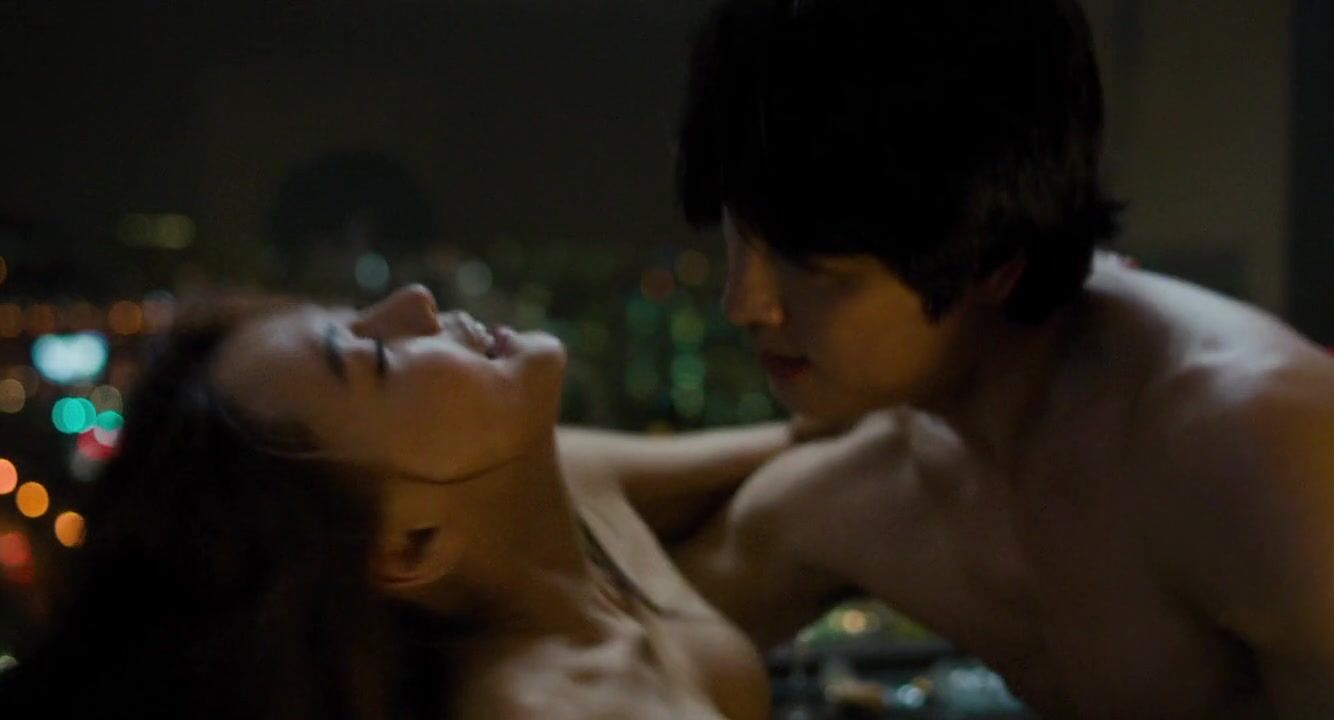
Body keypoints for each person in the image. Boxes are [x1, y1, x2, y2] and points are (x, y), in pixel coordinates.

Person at [663, 0, 1334, 717]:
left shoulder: (1256, 447)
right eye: (738, 233)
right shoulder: (857, 489)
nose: (744, 302)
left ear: (991, 258)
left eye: (815, 267)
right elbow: (622, 657)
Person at [0, 284, 790, 720]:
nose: (415, 303)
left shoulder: (564, 482)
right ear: (404, 547)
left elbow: (819, 447)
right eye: (375, 357)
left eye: (358, 316)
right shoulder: (541, 707)